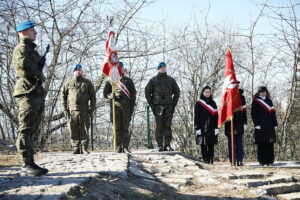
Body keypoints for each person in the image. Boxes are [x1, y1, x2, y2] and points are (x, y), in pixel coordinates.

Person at [13, 20, 48, 176]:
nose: (35, 32)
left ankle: (31, 161)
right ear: (23, 32)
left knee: (32, 128)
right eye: (32, 30)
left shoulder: (31, 50)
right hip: (27, 91)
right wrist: (38, 70)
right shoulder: (21, 49)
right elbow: (24, 66)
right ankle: (25, 164)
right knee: (25, 128)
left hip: (35, 91)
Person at [145, 62, 180, 151]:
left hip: (168, 106)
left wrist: (173, 104)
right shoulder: (153, 80)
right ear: (158, 69)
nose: (163, 68)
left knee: (168, 126)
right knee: (159, 127)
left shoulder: (171, 80)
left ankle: (167, 145)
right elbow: (147, 92)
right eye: (161, 67)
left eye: (164, 67)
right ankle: (160, 145)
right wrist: (152, 105)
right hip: (158, 107)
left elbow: (177, 92)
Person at [61, 64, 96, 154]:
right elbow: (63, 97)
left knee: (85, 129)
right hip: (72, 111)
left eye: (80, 70)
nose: (79, 71)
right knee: (73, 129)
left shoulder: (87, 83)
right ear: (74, 71)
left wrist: (91, 108)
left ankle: (84, 147)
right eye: (77, 70)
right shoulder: (68, 83)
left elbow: (93, 97)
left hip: (84, 110)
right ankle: (76, 147)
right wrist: (65, 110)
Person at [103, 62, 136, 153]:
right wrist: (111, 95)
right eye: (118, 68)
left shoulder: (128, 81)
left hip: (126, 109)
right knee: (117, 128)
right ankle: (118, 147)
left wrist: (131, 108)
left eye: (121, 68)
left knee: (125, 128)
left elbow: (133, 95)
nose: (119, 69)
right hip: (115, 108)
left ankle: (125, 147)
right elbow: (105, 94)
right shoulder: (110, 81)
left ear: (123, 69)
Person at [251, 86, 278, 166]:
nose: (263, 93)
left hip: (269, 125)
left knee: (270, 143)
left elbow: (273, 113)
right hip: (260, 126)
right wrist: (256, 124)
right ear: (259, 93)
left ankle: (270, 161)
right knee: (262, 143)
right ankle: (262, 161)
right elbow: (253, 114)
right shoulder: (255, 101)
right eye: (262, 92)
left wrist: (275, 123)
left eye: (264, 91)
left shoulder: (269, 101)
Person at [224, 82, 247, 166]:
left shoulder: (242, 97)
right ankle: (232, 161)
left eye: (236, 85)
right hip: (229, 124)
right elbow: (223, 112)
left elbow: (244, 111)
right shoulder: (226, 96)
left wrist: (245, 123)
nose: (235, 87)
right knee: (231, 144)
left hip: (239, 123)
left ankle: (240, 160)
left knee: (239, 144)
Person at [194, 86, 219, 164]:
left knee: (211, 144)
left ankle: (211, 159)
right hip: (202, 127)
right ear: (203, 93)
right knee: (203, 144)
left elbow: (216, 116)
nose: (208, 93)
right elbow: (196, 116)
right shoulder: (199, 103)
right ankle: (205, 160)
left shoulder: (213, 103)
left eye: (209, 92)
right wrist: (197, 128)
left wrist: (216, 127)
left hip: (212, 127)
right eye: (206, 92)